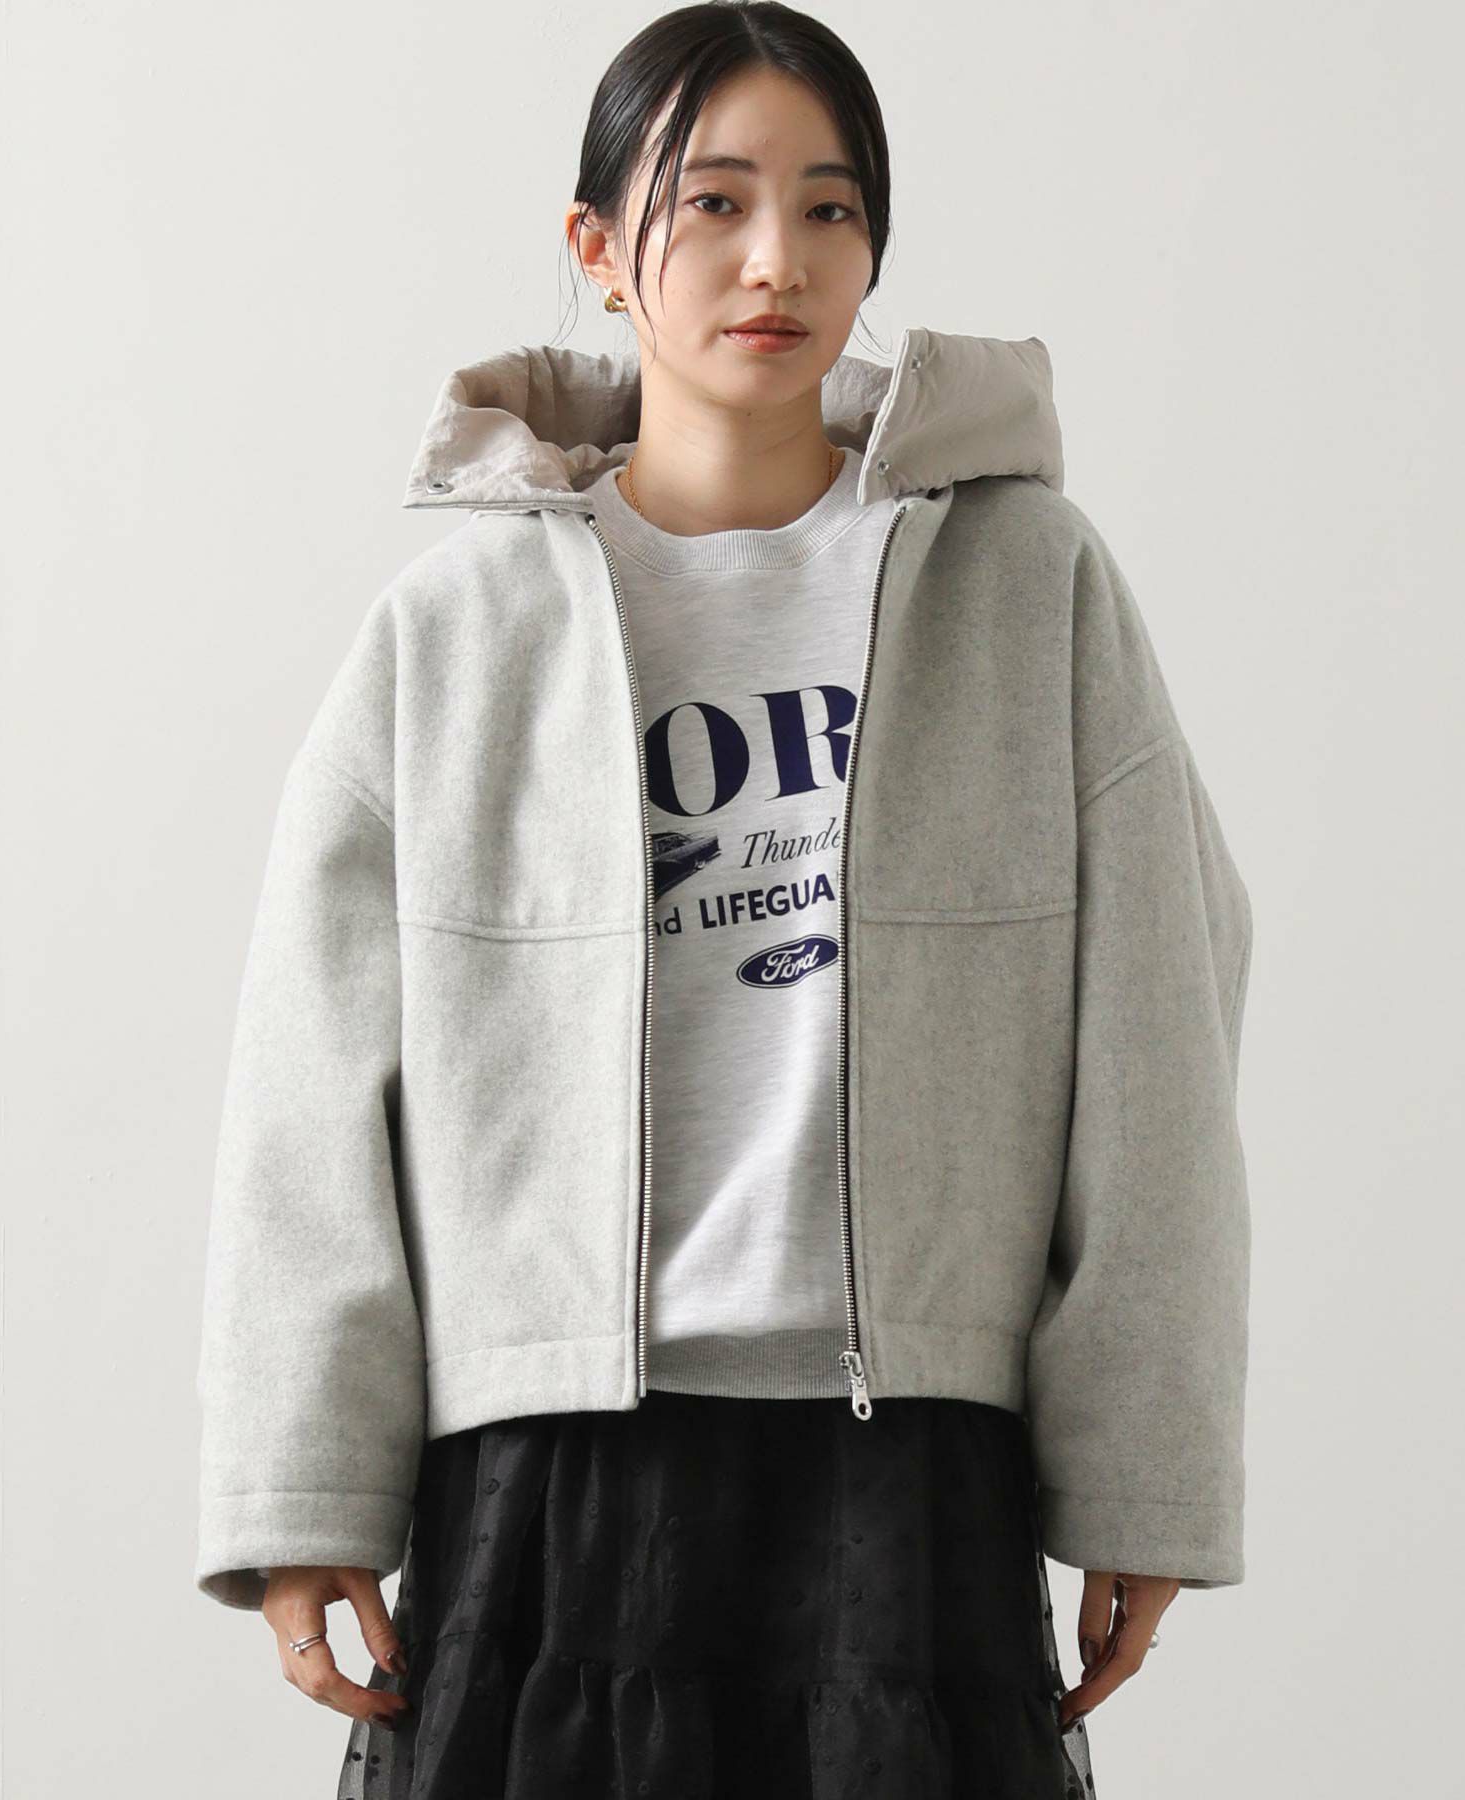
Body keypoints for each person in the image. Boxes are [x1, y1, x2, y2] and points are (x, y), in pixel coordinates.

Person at [193, 5, 1255, 1796]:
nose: (780, 259)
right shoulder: (455, 635)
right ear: (599, 247)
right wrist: (303, 1491)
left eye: (832, 209)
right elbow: (309, 1085)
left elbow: (1162, 1028)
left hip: (910, 1465)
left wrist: (1142, 1470)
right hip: (548, 1472)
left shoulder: (1028, 588)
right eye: (715, 203)